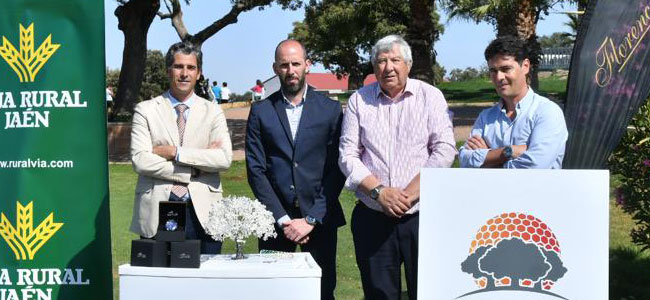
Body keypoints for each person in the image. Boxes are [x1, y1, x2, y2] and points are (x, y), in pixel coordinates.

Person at [338, 35, 456, 300]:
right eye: (381, 61)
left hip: (421, 215)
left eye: (395, 60)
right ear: (373, 66)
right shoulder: (359, 100)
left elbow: (444, 149)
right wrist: (379, 192)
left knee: (427, 292)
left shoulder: (430, 97)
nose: (388, 67)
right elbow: (347, 155)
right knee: (379, 294)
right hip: (373, 216)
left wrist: (409, 194)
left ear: (409, 65)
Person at [246, 39, 345, 300]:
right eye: (284, 65)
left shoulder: (331, 110)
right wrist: (283, 219)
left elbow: (337, 169)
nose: (291, 70)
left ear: (307, 65)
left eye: (296, 64)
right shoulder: (260, 111)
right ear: (275, 68)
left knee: (323, 290)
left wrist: (311, 218)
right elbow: (256, 170)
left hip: (321, 220)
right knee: (274, 291)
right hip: (275, 223)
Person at [129, 42, 233, 254]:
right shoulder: (146, 110)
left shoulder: (213, 112)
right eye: (178, 67)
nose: (184, 73)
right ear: (168, 70)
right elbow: (140, 160)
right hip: (157, 209)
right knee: (160, 283)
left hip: (205, 213)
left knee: (206, 283)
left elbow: (223, 159)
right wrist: (194, 169)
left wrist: (174, 152)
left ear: (199, 73)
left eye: (191, 68)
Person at [459, 36, 568, 168]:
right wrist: (508, 152)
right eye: (493, 71)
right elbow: (464, 160)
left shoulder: (547, 112)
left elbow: (534, 167)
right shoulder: (486, 117)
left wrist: (489, 160)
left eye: (506, 69)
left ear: (525, 66)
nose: (499, 77)